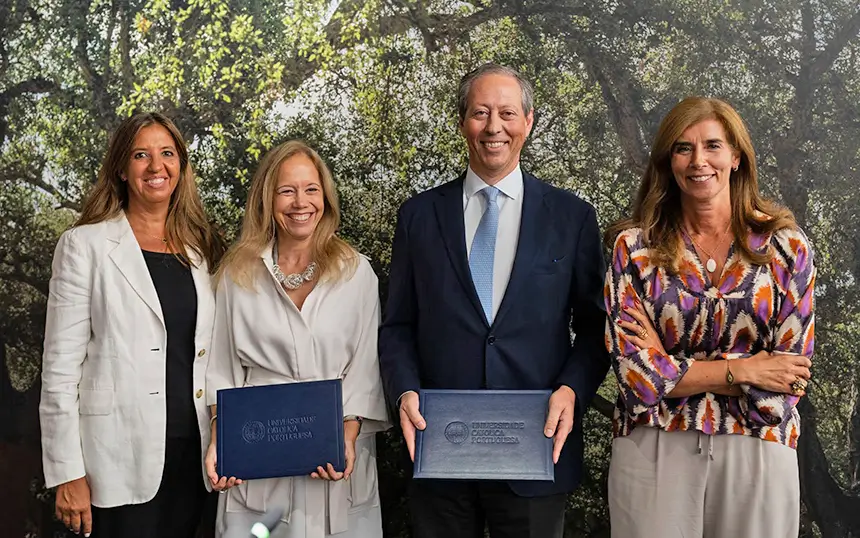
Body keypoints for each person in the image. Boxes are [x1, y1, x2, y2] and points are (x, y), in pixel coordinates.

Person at [378, 63, 609, 537]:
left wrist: (571, 391)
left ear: (528, 121)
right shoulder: (418, 217)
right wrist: (404, 390)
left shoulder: (573, 217)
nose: (493, 127)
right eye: (480, 113)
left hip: (538, 451)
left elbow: (594, 328)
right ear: (463, 122)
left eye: (506, 112)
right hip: (439, 449)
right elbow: (397, 325)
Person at [604, 96, 815, 537]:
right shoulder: (633, 250)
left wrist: (671, 366)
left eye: (712, 146)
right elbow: (638, 379)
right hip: (654, 446)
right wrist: (745, 369)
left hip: (758, 446)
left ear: (736, 156)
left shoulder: (787, 250)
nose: (698, 161)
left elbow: (786, 386)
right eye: (683, 148)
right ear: (669, 161)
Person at [40, 112, 225, 537]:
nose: (156, 167)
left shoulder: (201, 251)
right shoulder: (84, 245)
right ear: (122, 169)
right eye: (141, 155)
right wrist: (67, 471)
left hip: (193, 458)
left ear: (180, 165)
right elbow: (60, 371)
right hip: (115, 459)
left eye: (167, 154)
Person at [204, 140, 390, 538]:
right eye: (286, 191)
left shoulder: (357, 273)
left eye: (311, 189)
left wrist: (347, 435)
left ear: (325, 197)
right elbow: (220, 368)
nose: (300, 202)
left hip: (337, 464)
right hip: (258, 468)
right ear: (267, 200)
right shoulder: (236, 276)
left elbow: (367, 368)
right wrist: (221, 440)